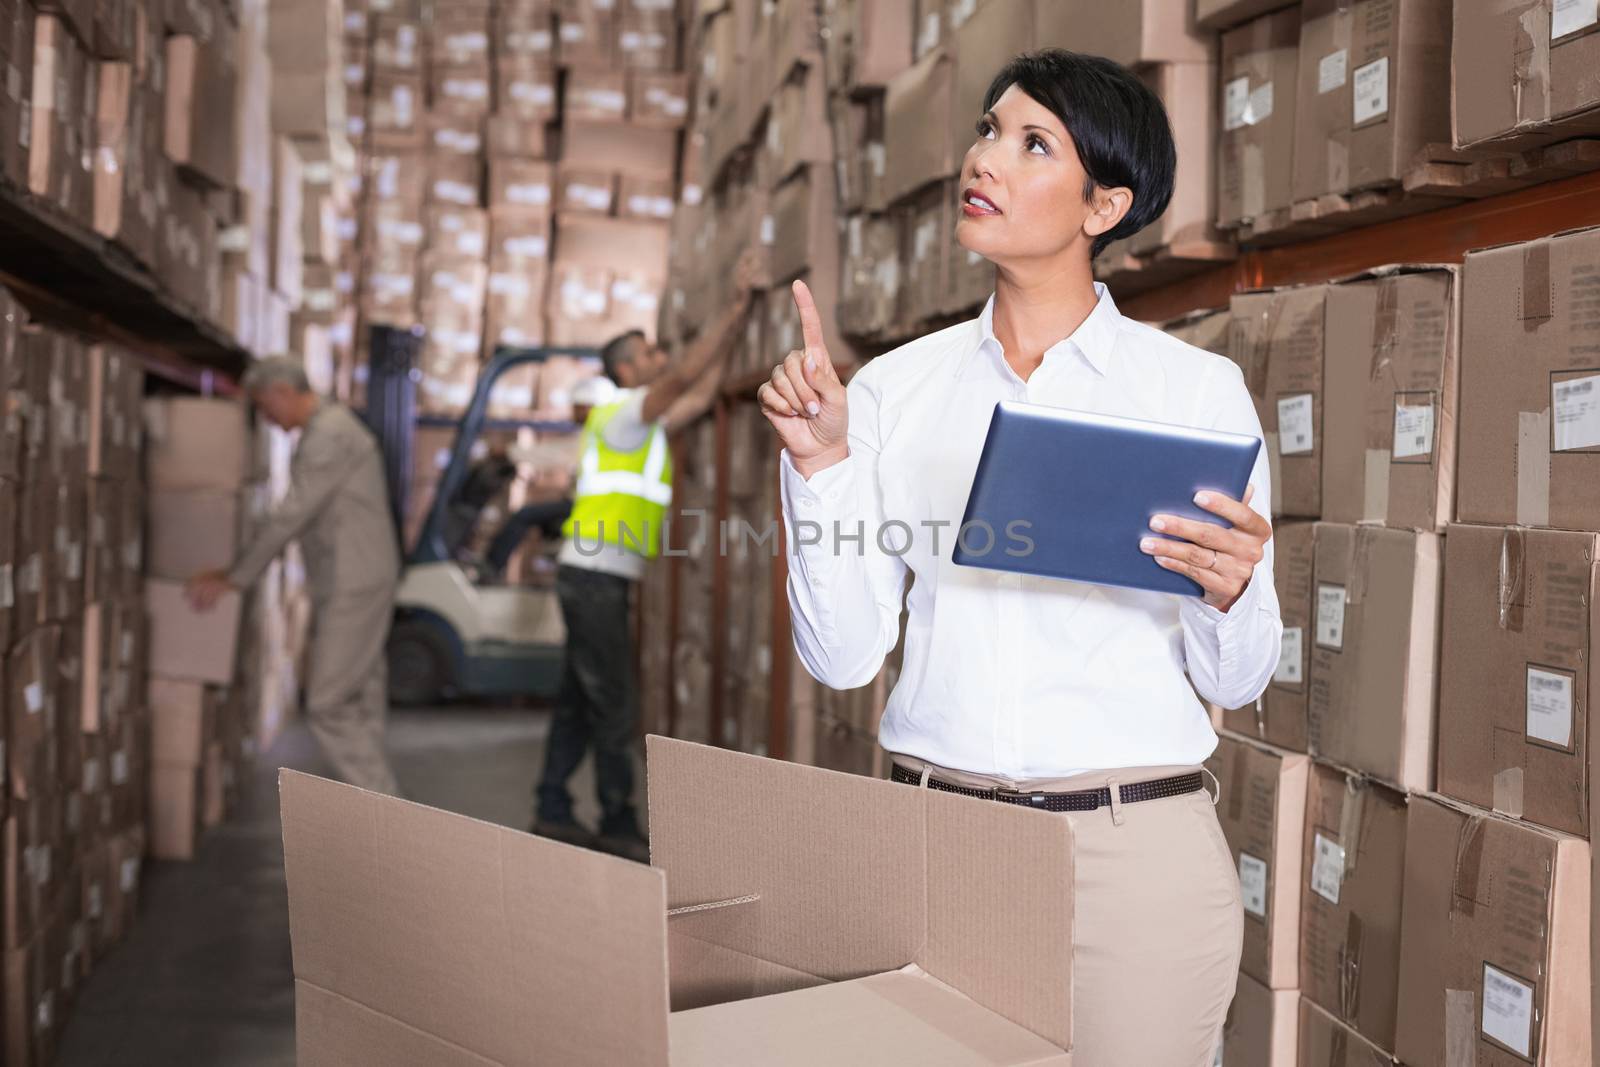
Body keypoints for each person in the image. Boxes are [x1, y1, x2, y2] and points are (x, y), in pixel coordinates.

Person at [758, 51, 1279, 1066]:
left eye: (1031, 143)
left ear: (1104, 205)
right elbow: (844, 657)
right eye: (988, 130)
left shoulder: (1192, 393)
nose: (984, 158)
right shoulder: (894, 392)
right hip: (933, 847)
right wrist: (822, 463)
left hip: (1130, 865)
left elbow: (1237, 676)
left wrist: (1233, 590)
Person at [532, 251, 764, 861]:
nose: (660, 357)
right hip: (593, 579)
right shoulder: (620, 417)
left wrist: (744, 325)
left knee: (581, 699)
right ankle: (617, 819)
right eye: (650, 353)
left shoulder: (644, 429)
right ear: (629, 368)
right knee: (613, 703)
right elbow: (685, 377)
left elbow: (703, 388)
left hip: (598, 578)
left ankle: (552, 805)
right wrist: (735, 304)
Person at [187, 358, 403, 797]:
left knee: (327, 702)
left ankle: (386, 812)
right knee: (359, 694)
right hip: (356, 576)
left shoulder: (330, 435)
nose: (266, 419)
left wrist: (237, 576)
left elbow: (290, 516)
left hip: (354, 580)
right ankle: (382, 813)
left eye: (266, 407)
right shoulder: (330, 429)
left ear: (283, 391)